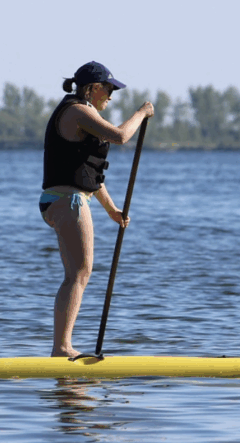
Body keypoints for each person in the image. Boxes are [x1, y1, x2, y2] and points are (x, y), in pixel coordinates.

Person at [40, 61, 154, 358]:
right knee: (79, 273)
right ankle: (62, 348)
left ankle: (61, 347)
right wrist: (141, 113)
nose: (111, 96)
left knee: (77, 273)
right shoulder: (77, 110)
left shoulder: (83, 113)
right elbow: (120, 136)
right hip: (68, 201)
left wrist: (112, 209)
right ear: (91, 89)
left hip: (66, 198)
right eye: (108, 89)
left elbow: (87, 174)